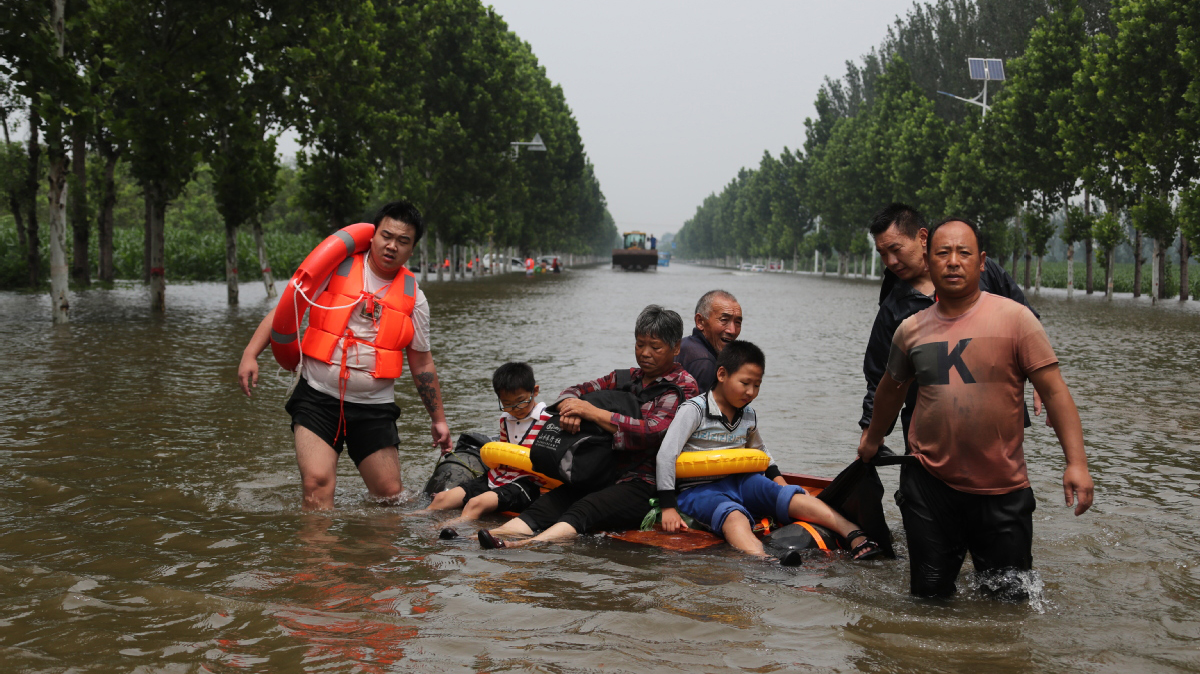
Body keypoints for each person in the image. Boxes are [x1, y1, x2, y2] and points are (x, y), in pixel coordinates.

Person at [858, 218, 1094, 599]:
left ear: (982, 262)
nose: (953, 262)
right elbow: (889, 390)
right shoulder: (910, 328)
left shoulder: (1017, 320)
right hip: (929, 485)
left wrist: (1077, 463)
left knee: (1009, 603)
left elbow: (1055, 391)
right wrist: (871, 438)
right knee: (928, 600)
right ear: (929, 262)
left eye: (963, 253)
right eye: (943, 254)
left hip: (1001, 488)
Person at [238, 200, 452, 510]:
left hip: (374, 409)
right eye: (386, 236)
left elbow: (421, 361)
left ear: (412, 249)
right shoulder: (337, 268)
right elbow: (288, 308)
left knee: (390, 498)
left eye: (403, 241)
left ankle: (373, 557)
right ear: (373, 235)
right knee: (316, 484)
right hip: (317, 398)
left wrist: (439, 420)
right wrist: (250, 353)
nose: (392, 246)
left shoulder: (414, 298)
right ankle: (317, 558)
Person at [477, 305, 700, 549]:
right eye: (639, 344)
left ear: (676, 347)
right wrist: (571, 408)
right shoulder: (625, 377)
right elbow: (574, 391)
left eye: (655, 347)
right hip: (602, 470)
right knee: (549, 503)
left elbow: (653, 431)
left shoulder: (683, 387)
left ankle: (518, 546)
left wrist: (592, 412)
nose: (645, 353)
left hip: (644, 483)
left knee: (585, 509)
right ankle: (483, 537)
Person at [657, 341, 882, 564]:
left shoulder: (748, 414)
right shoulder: (694, 411)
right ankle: (765, 559)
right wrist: (668, 507)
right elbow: (666, 456)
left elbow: (760, 451)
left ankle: (854, 534)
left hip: (741, 482)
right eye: (745, 383)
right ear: (722, 374)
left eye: (757, 385)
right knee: (734, 516)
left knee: (791, 496)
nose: (751, 392)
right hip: (699, 490)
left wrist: (778, 480)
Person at [860, 203, 1040, 452]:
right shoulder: (894, 307)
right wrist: (872, 432)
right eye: (883, 254)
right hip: (929, 433)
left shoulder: (983, 273)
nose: (891, 261)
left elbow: (1028, 324)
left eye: (895, 249)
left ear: (922, 238)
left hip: (996, 426)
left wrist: (1039, 378)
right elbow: (880, 377)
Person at [427, 363, 552, 536]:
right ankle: (403, 522)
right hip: (499, 475)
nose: (515, 409)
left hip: (529, 483)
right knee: (441, 498)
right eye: (507, 403)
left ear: (535, 391)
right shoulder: (505, 420)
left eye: (521, 401)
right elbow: (500, 452)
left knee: (476, 503)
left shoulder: (549, 420)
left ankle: (446, 531)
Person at [675, 290, 743, 393]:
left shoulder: (683, 344)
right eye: (724, 320)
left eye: (737, 322)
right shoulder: (704, 363)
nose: (732, 331)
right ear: (700, 322)